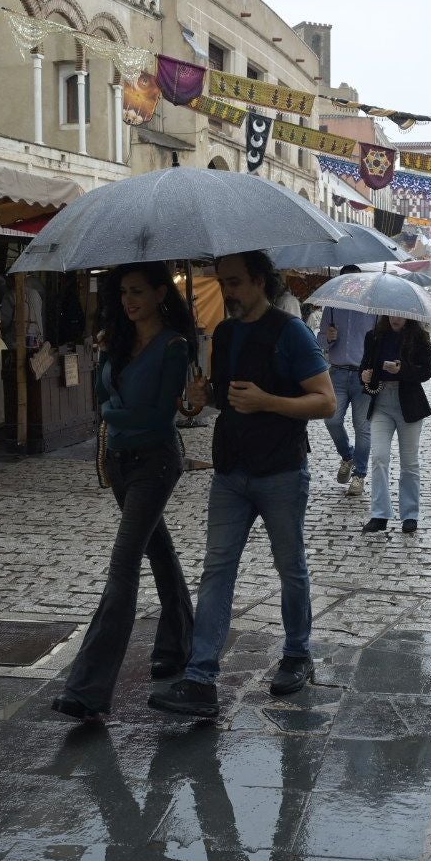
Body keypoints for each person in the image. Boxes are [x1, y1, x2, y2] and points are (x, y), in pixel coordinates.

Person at [150, 250, 336, 720]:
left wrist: (269, 401)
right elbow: (225, 396)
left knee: (290, 567)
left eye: (233, 283)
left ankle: (297, 653)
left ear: (258, 282)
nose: (226, 292)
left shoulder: (291, 332)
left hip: (281, 471)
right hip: (231, 471)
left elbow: (326, 402)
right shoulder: (227, 332)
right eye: (222, 281)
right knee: (217, 570)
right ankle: (200, 679)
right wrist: (201, 398)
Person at [53, 263, 197, 725]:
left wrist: (115, 414)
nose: (128, 300)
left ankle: (88, 688)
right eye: (123, 293)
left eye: (137, 292)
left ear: (160, 293)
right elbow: (104, 396)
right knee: (159, 552)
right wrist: (109, 381)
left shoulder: (174, 346)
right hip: (118, 462)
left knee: (123, 567)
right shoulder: (114, 341)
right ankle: (178, 644)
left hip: (154, 463)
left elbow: (156, 416)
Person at [359, 315, 431, 534]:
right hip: (381, 403)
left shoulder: (419, 337)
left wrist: (401, 371)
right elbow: (364, 367)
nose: (395, 319)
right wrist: (363, 375)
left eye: (400, 315)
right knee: (379, 457)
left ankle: (410, 514)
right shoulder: (373, 336)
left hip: (409, 405)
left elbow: (425, 373)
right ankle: (379, 514)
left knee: (409, 462)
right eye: (391, 314)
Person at [318, 264, 372, 498]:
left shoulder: (372, 309)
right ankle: (348, 456)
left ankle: (359, 474)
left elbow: (379, 341)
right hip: (337, 373)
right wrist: (328, 338)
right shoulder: (332, 307)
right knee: (331, 420)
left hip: (363, 375)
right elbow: (319, 342)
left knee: (363, 428)